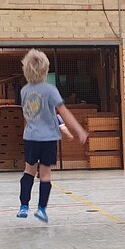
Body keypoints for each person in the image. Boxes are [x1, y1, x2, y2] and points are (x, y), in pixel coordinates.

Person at [17, 50, 88, 222]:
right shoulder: (50, 89)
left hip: (30, 137)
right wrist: (79, 130)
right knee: (45, 174)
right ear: (45, 70)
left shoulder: (24, 90)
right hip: (47, 138)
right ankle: (41, 209)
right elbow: (63, 112)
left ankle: (24, 206)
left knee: (29, 170)